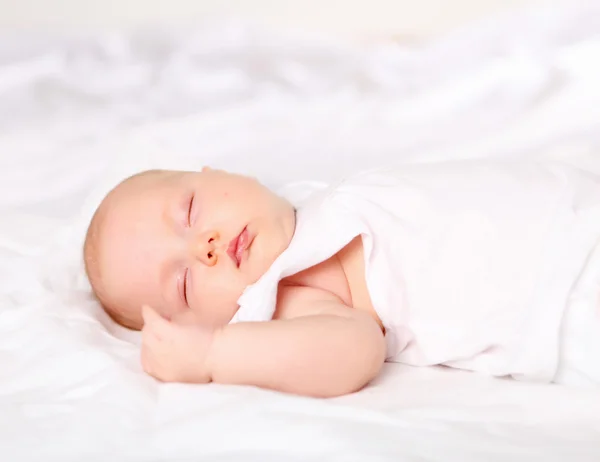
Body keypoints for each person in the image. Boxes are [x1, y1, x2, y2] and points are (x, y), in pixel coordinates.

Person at [83, 159, 600, 397]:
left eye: (191, 209)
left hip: (572, 207)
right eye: (185, 283)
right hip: (562, 301)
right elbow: (352, 348)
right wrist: (213, 356)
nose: (205, 246)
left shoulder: (306, 201)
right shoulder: (289, 295)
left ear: (215, 171)